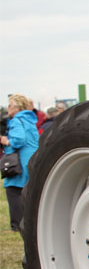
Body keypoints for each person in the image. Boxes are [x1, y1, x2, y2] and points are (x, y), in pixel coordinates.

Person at [0, 94, 40, 231]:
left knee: (13, 191)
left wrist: (6, 141)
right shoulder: (30, 120)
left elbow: (19, 140)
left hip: (19, 164)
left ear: (17, 107)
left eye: (10, 105)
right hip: (32, 160)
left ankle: (18, 225)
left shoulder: (16, 120)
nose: (8, 108)